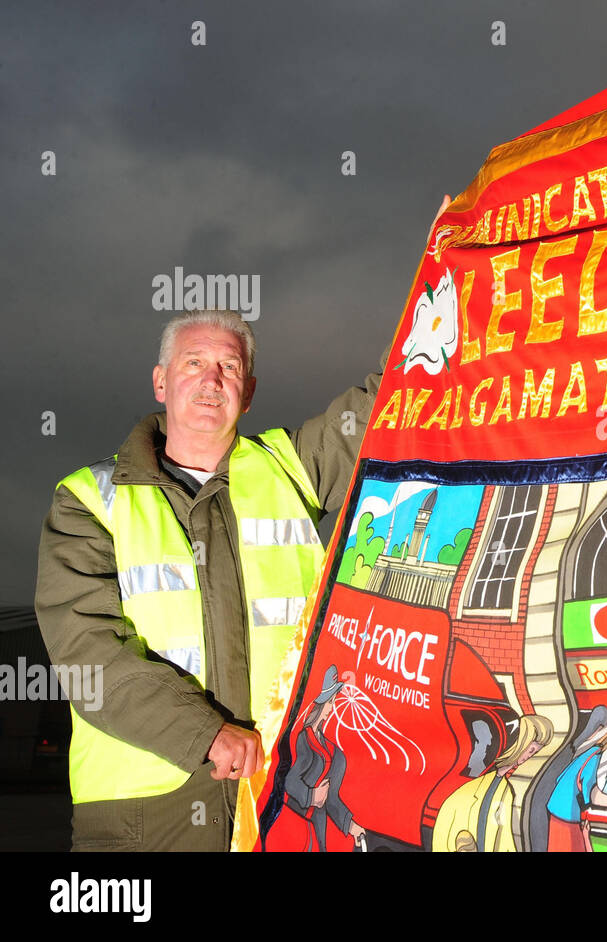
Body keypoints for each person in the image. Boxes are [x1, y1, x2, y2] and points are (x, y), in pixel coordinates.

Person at [35, 308, 382, 851]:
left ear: (247, 393)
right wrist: (204, 734)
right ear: (160, 380)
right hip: (143, 817)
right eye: (194, 361)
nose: (211, 378)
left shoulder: (290, 467)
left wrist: (456, 266)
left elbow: (391, 401)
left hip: (278, 795)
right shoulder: (88, 500)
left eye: (229, 366)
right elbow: (86, 653)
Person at [429, 713, 554, 852]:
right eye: (531, 750)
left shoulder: (506, 791)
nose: (529, 757)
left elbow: (505, 839)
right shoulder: (475, 780)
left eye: (534, 753)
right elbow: (446, 828)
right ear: (522, 742)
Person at [280, 665, 366, 851]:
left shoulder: (331, 750)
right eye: (330, 702)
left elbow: (332, 799)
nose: (332, 707)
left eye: (334, 701)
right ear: (320, 703)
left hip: (317, 829)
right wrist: (311, 796)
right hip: (294, 826)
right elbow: (290, 780)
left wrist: (351, 827)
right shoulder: (304, 739)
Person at [545, 707, 607, 851]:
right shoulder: (594, 757)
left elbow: (561, 778)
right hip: (567, 816)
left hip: (556, 810)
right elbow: (594, 794)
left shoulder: (585, 755)